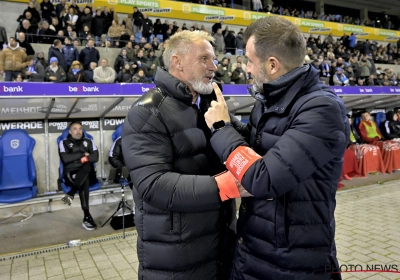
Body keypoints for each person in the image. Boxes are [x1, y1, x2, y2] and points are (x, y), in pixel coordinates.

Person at [204, 16, 348, 279]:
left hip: (292, 261)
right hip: (254, 249)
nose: (246, 68)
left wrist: (221, 129)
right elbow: (257, 147)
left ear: (272, 65)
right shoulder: (269, 99)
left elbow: (264, 178)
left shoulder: (322, 109)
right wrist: (230, 122)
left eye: (249, 60)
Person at [121, 30, 238, 280]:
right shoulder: (147, 112)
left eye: (214, 59)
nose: (214, 66)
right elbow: (154, 184)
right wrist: (228, 185)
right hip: (176, 256)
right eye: (204, 59)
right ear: (178, 62)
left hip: (220, 246)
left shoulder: (210, 106)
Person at [59, 121, 99, 230]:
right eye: (75, 129)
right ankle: (87, 216)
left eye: (80, 129)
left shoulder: (89, 141)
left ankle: (71, 193)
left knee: (86, 167)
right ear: (70, 131)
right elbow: (66, 159)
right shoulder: (64, 142)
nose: (78, 131)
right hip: (71, 173)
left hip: (89, 172)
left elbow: (95, 157)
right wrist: (83, 154)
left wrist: (80, 159)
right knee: (84, 179)